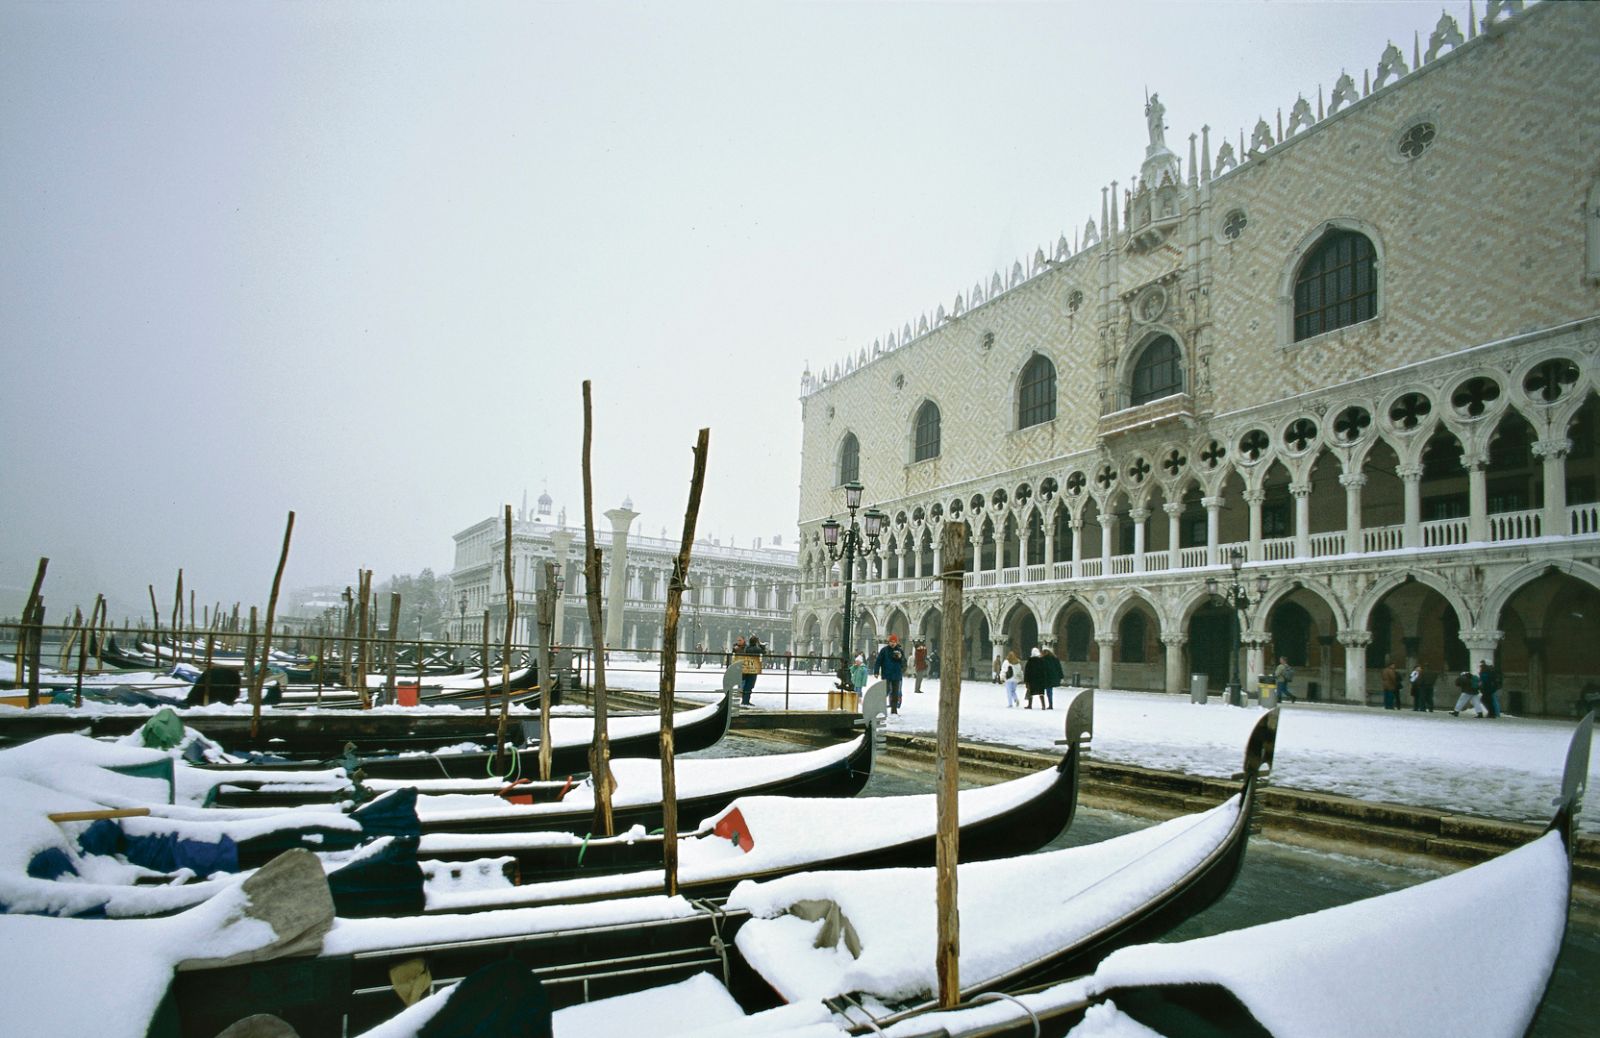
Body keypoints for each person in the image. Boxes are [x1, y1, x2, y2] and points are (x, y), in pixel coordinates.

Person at [873, 634, 907, 714]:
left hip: (896, 675)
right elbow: (878, 661)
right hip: (886, 674)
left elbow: (904, 663)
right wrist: (876, 671)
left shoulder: (900, 651)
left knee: (895, 693)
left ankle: (894, 710)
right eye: (891, 641)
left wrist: (900, 658)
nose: (892, 643)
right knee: (886, 690)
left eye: (894, 642)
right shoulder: (884, 650)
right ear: (889, 642)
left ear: (896, 642)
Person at [738, 635, 762, 707]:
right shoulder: (756, 649)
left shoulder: (747, 648)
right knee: (750, 685)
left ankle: (744, 700)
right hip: (753, 668)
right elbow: (764, 652)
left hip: (746, 668)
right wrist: (760, 645)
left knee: (745, 684)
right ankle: (746, 701)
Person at [1041, 644, 1063, 709]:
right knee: (1049, 692)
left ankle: (1045, 705)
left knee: (1043, 692)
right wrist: (1060, 676)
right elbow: (1059, 668)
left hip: (1046, 677)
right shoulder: (1055, 659)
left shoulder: (1043, 659)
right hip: (1050, 678)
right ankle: (1049, 704)